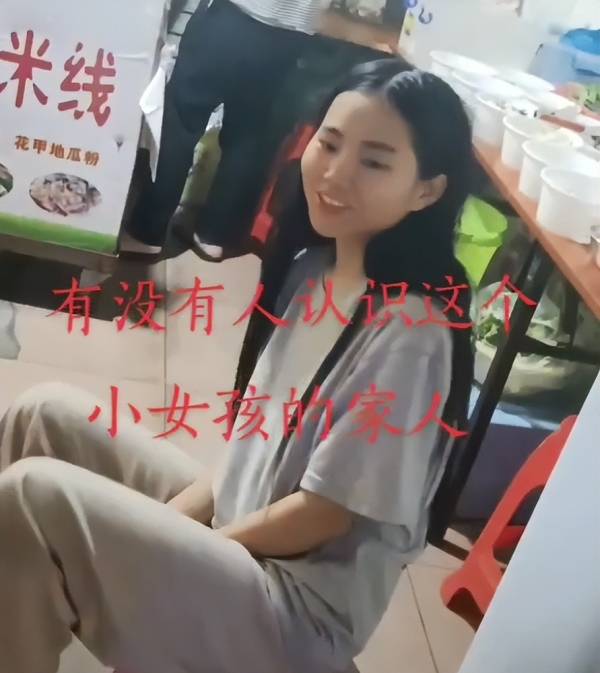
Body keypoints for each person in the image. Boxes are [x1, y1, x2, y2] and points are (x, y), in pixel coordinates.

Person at [0, 60, 475, 673]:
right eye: (330, 144)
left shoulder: (413, 332)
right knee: (44, 414)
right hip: (244, 531)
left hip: (292, 613)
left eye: (375, 162)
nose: (335, 173)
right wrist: (166, 534)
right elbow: (249, 445)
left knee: (36, 497)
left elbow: (324, 513)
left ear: (427, 190)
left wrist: (176, 549)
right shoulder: (312, 269)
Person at [124, 0, 320, 263]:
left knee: (181, 119)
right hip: (288, 36)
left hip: (232, 16)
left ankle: (146, 232)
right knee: (250, 134)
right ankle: (215, 236)